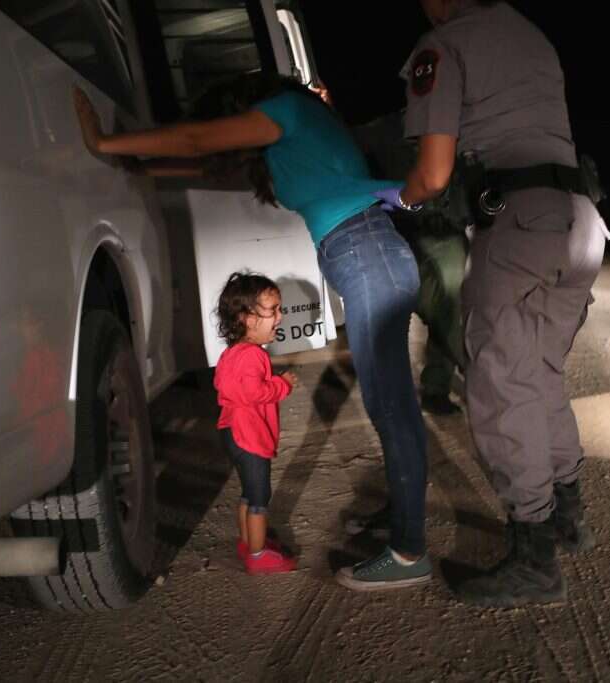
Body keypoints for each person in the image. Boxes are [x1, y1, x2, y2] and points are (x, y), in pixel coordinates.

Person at [74, 74, 432, 591]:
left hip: (367, 250)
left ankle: (407, 550)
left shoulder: (288, 109)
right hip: (360, 253)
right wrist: (136, 162)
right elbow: (203, 160)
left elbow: (199, 141)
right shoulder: (287, 145)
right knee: (389, 403)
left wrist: (105, 143)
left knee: (391, 405)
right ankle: (405, 518)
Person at [383, 0, 610, 607]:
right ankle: (568, 513)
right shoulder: (530, 32)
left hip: (518, 219)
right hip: (583, 220)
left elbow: (433, 174)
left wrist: (394, 203)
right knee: (540, 371)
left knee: (500, 383)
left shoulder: (445, 43)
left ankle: (534, 556)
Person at [352, 113, 468, 416]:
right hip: (400, 232)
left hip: (448, 231)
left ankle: (437, 388)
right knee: (409, 311)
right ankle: (474, 374)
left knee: (451, 308)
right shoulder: (382, 130)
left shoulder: (454, 125)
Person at [213, 272, 298, 574]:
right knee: (260, 497)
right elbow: (253, 393)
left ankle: (248, 542)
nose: (280, 316)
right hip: (249, 436)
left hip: (231, 432)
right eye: (273, 310)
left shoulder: (231, 354)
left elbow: (225, 388)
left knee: (248, 493)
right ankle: (258, 555)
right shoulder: (253, 356)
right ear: (248, 318)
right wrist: (281, 384)